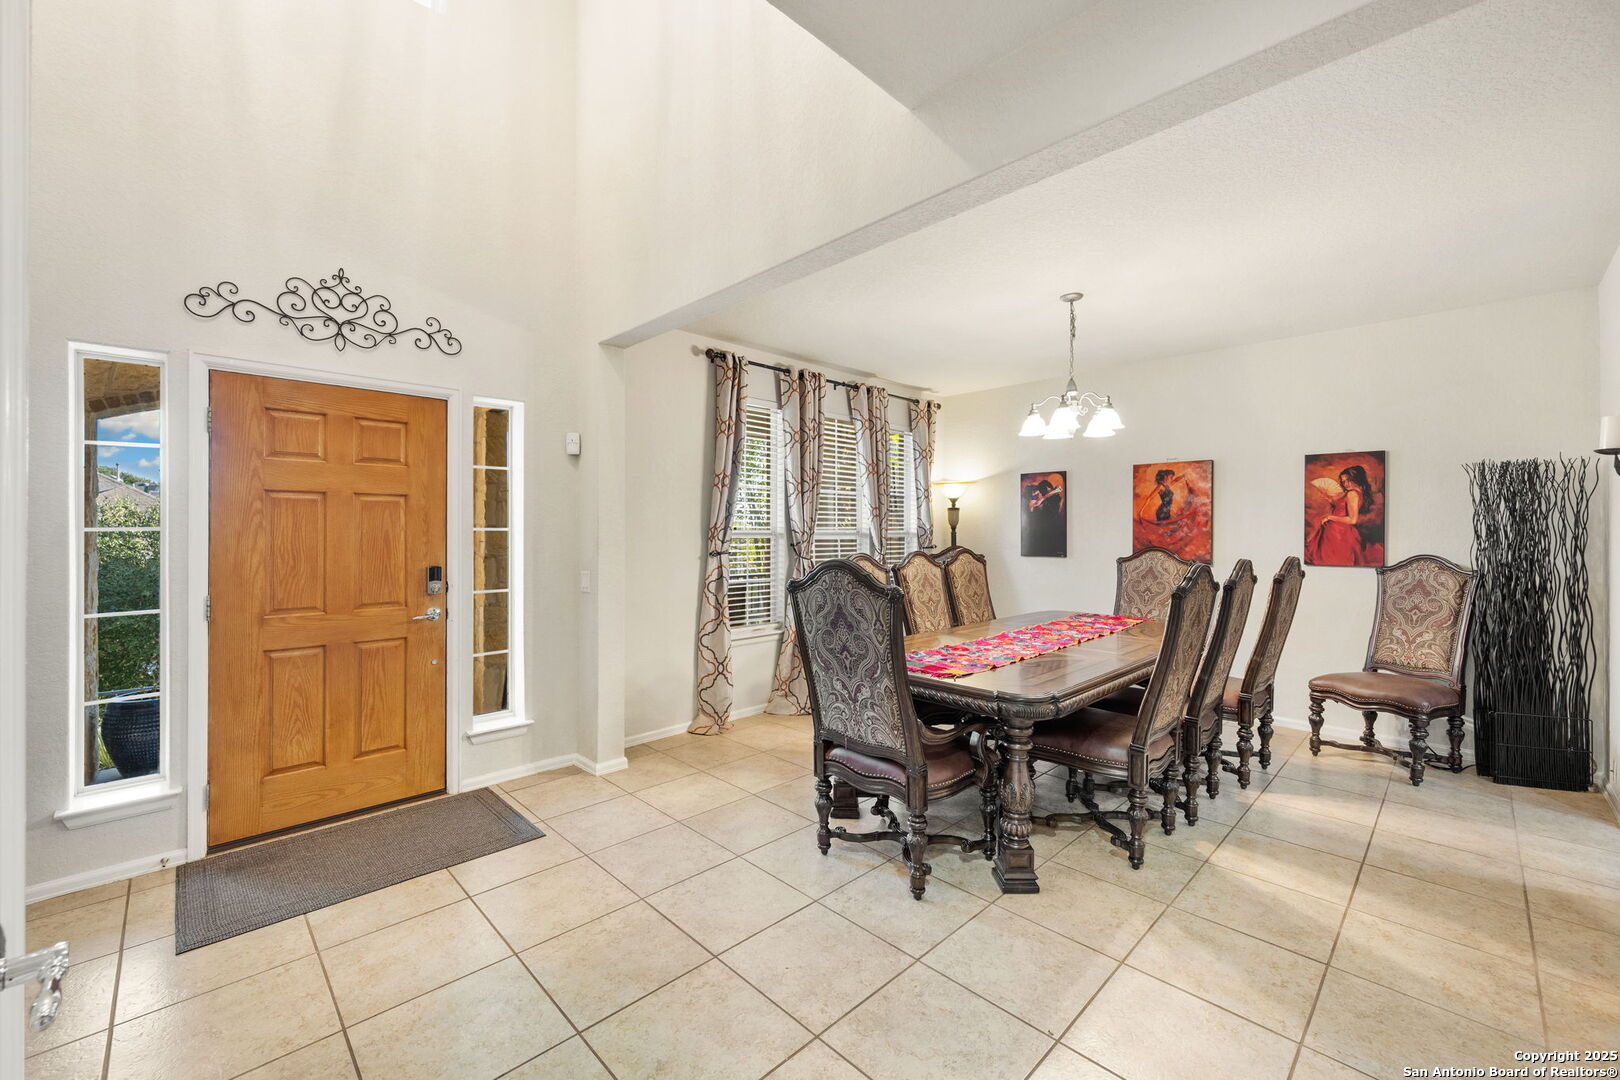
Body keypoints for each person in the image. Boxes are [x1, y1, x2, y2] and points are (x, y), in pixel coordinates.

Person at [1306, 464, 1384, 565]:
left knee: (1326, 559)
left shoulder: (1352, 494)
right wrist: (1330, 499)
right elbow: (1342, 508)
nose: (1345, 484)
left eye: (1349, 480)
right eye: (1343, 481)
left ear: (1357, 479)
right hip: (1337, 529)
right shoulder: (1355, 492)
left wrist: (1329, 517)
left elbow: (1352, 519)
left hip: (1339, 532)